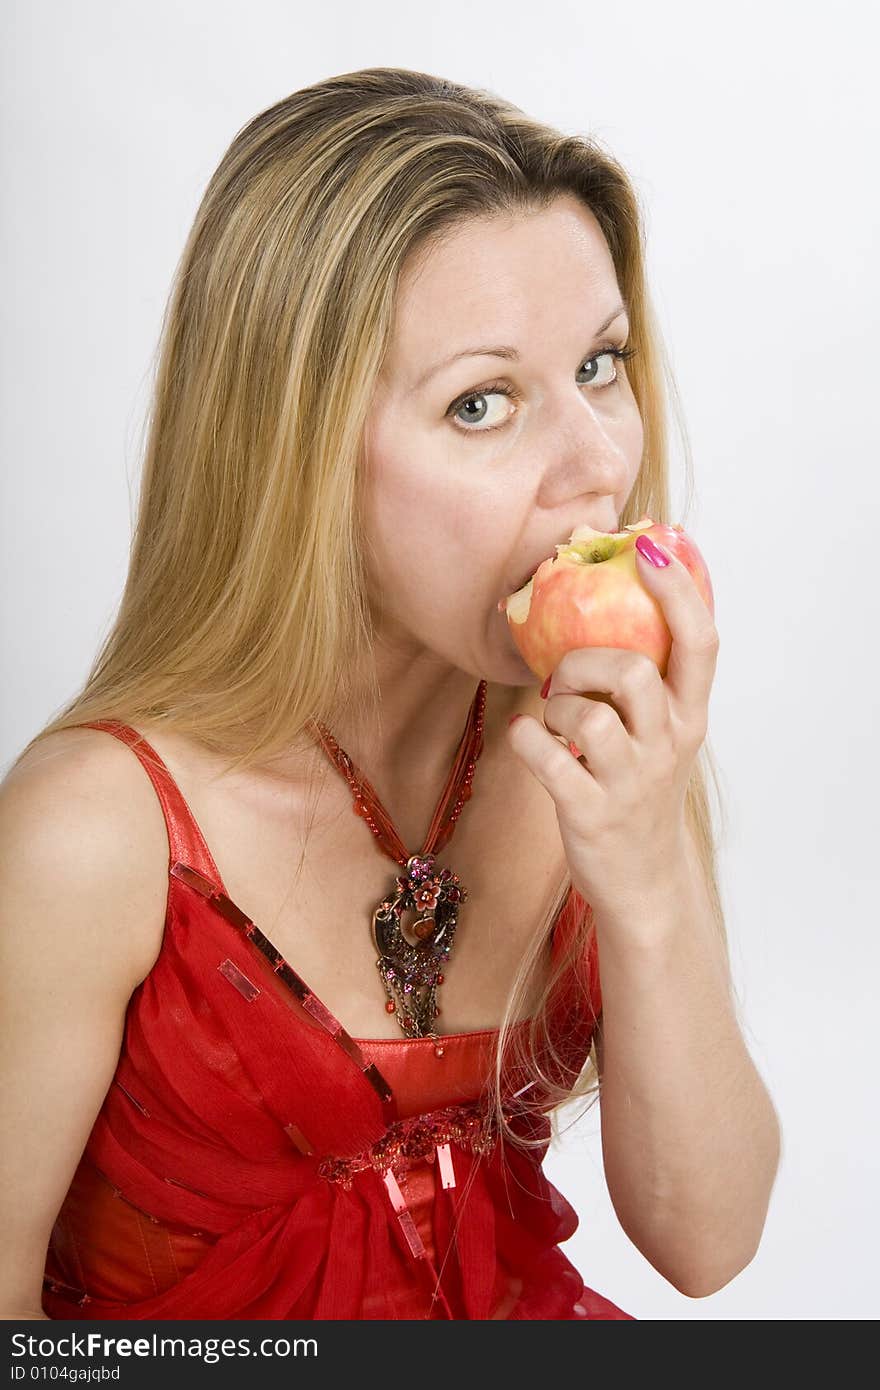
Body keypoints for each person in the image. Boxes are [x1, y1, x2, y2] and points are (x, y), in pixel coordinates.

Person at [0, 67, 781, 1321]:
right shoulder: (92, 835)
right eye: (481, 404)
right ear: (294, 456)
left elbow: (708, 1241)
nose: (596, 467)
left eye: (599, 363)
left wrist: (648, 871)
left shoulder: (596, 748)